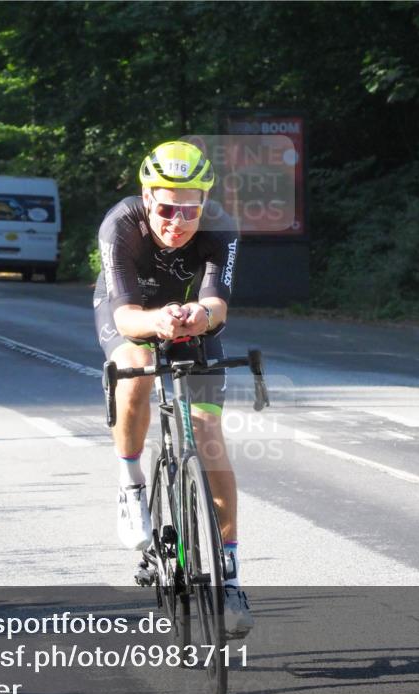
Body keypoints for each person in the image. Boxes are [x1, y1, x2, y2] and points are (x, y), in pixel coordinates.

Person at [92, 140, 252, 638]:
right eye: (165, 209)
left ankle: (229, 577)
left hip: (192, 319)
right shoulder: (121, 224)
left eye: (189, 210)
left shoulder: (220, 228)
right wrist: (158, 321)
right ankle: (130, 485)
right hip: (134, 313)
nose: (177, 222)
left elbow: (218, 304)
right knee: (137, 365)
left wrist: (198, 315)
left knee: (206, 432)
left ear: (205, 204)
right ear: (147, 197)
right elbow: (124, 315)